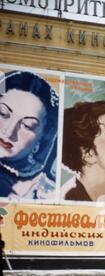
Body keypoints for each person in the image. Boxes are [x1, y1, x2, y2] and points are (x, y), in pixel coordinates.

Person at [0, 71, 59, 199]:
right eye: (3, 114)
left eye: (27, 126)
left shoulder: (43, 193)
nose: (9, 132)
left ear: (43, 137)